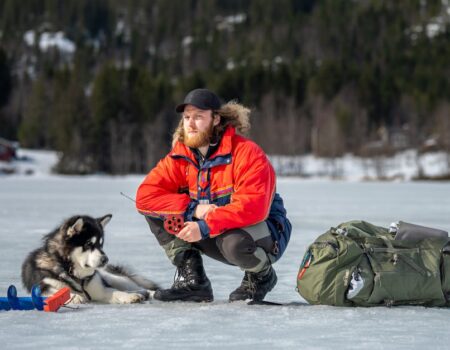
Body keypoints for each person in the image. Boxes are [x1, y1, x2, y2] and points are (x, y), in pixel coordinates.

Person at [136, 88, 291, 302]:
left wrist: (204, 226)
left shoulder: (247, 153)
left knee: (234, 243)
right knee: (158, 212)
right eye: (187, 117)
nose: (190, 123)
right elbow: (145, 196)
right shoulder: (181, 156)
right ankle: (194, 281)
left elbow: (254, 207)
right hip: (215, 229)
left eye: (199, 117)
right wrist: (193, 209)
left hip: (265, 233)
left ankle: (261, 276)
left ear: (216, 119)